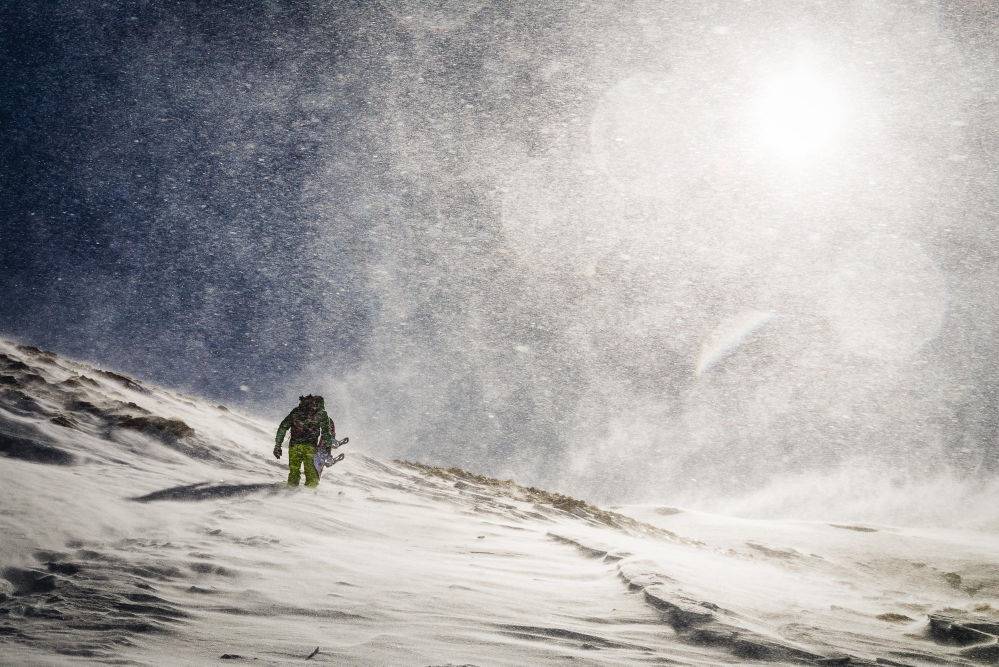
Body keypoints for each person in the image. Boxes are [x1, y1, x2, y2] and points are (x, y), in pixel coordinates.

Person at [274, 394, 335, 487]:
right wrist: (329, 448)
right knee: (311, 474)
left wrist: (278, 445)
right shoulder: (322, 413)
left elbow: (283, 427)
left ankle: (289, 493)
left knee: (294, 471)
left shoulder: (296, 411)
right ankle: (308, 496)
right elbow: (326, 433)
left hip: (294, 446)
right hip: (310, 447)